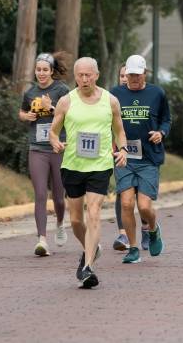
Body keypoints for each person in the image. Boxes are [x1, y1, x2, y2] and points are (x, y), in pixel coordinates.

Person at [48, 57, 128, 288]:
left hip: (100, 165)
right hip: (72, 165)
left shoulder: (110, 101)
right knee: (75, 220)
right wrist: (55, 142)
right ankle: (92, 247)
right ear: (75, 76)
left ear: (97, 75)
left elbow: (119, 131)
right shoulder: (66, 101)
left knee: (93, 213)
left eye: (88, 75)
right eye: (80, 75)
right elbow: (54, 131)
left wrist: (122, 149)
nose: (84, 79)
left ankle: (88, 266)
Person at [111, 55, 171, 264]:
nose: (133, 79)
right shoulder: (115, 94)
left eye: (137, 75)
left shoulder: (157, 93)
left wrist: (161, 133)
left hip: (148, 158)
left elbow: (166, 119)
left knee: (144, 207)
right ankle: (133, 248)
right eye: (130, 75)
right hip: (124, 156)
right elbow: (106, 120)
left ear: (145, 74)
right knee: (126, 204)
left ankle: (153, 230)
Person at [18, 52, 70, 256]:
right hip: (37, 147)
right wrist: (26, 115)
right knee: (40, 194)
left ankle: (59, 224)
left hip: (57, 148)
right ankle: (42, 240)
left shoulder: (62, 90)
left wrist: (52, 107)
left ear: (51, 71)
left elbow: (71, 114)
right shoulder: (30, 92)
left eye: (45, 70)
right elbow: (21, 112)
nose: (41, 73)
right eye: (38, 70)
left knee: (58, 197)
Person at [112, 64, 150, 252]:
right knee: (123, 193)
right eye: (122, 76)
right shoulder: (113, 97)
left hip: (143, 152)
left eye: (128, 75)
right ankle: (123, 233)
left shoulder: (144, 96)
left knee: (140, 194)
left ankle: (145, 228)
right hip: (120, 151)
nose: (125, 79)